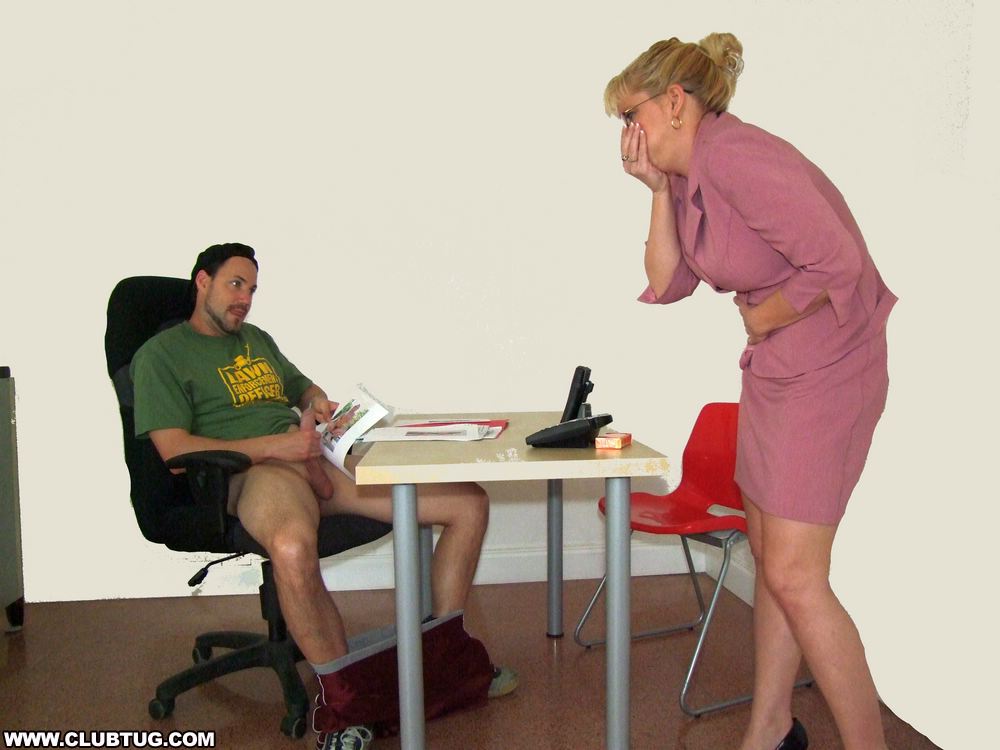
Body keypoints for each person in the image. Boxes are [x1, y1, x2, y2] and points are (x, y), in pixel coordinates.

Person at [605, 34, 896, 750]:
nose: (627, 133)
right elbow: (668, 281)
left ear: (675, 103)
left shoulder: (735, 155)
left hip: (830, 367)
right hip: (777, 370)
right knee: (771, 554)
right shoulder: (690, 174)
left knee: (796, 575)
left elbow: (838, 260)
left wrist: (767, 315)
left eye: (632, 114)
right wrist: (657, 192)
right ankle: (771, 727)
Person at [130, 243, 517, 750]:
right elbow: (175, 451)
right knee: (292, 547)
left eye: (252, 289)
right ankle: (345, 711)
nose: (244, 298)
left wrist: (317, 404)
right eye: (235, 284)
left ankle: (441, 662)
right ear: (203, 282)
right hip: (255, 473)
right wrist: (278, 446)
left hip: (314, 460)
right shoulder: (160, 355)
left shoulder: (256, 340)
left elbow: (302, 387)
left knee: (467, 504)